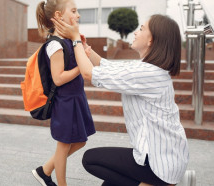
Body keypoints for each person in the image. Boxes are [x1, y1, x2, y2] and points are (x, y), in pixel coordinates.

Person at [51, 14, 189, 186]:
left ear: (151, 40)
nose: (136, 32)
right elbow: (108, 66)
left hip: (159, 163)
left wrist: (76, 39)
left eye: (142, 29)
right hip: (165, 155)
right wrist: (86, 47)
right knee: (108, 183)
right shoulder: (147, 68)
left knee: (91, 159)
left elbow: (88, 73)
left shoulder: (147, 73)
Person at [31, 0, 96, 186]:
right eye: (74, 11)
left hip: (76, 98)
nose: (78, 15)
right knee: (64, 144)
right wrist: (81, 68)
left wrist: (82, 49)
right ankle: (61, 183)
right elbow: (58, 79)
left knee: (80, 141)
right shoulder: (55, 45)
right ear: (59, 16)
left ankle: (45, 171)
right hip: (66, 101)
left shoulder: (69, 40)